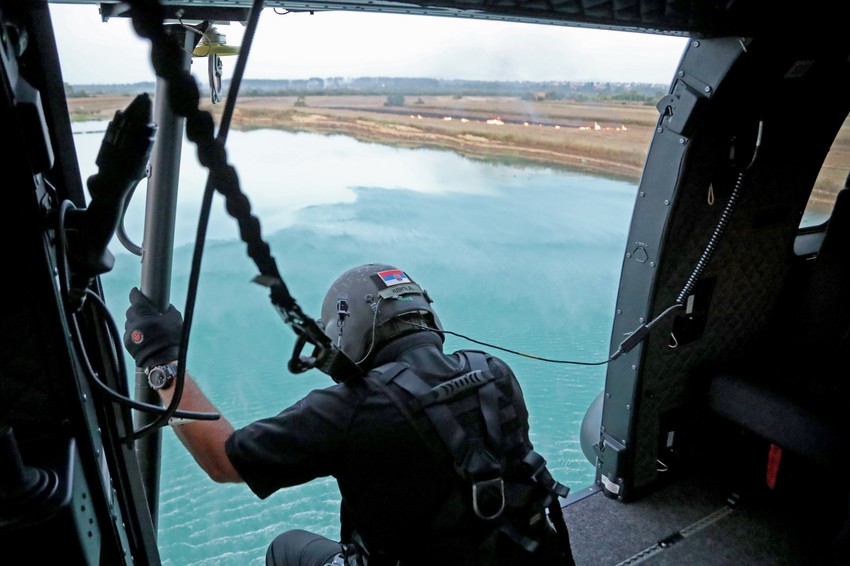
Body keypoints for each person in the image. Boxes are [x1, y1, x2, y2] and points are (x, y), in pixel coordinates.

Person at [124, 263, 573, 566]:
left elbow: (222, 460)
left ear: (348, 331)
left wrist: (162, 363)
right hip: (519, 554)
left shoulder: (351, 408)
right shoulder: (493, 373)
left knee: (286, 549)